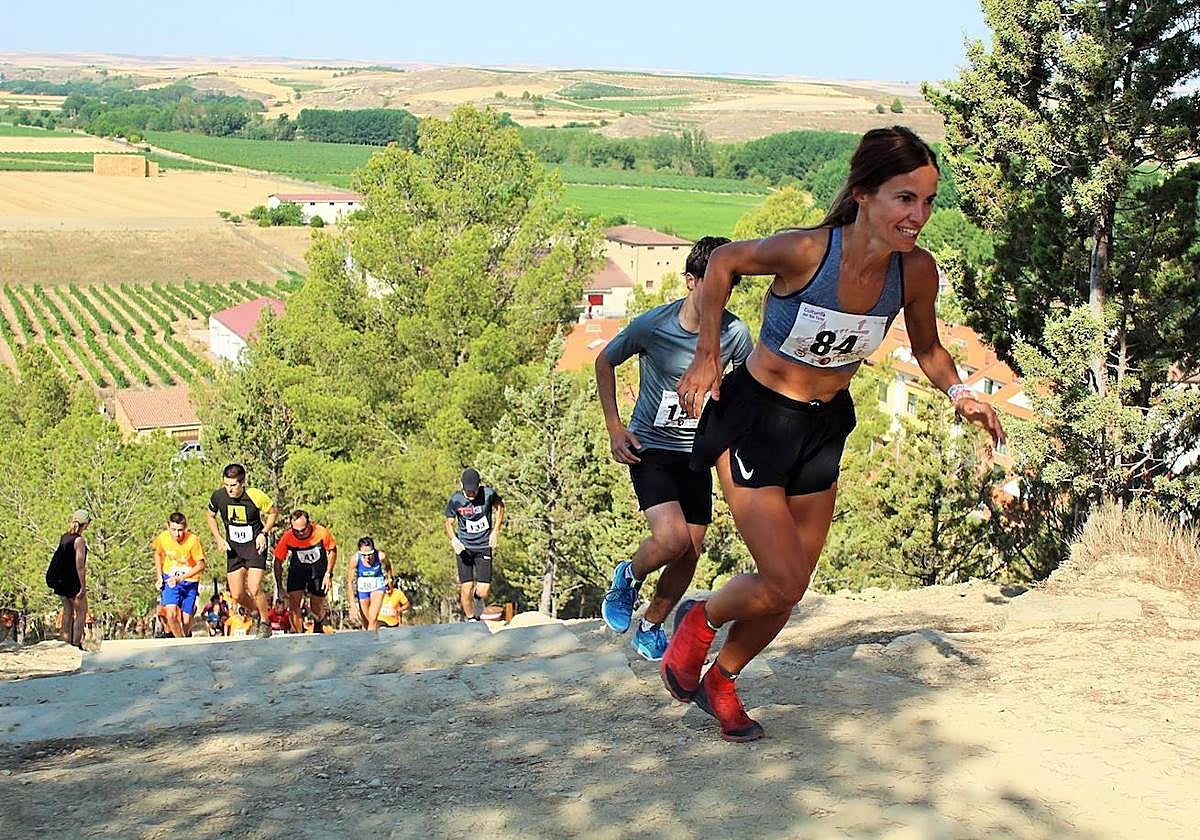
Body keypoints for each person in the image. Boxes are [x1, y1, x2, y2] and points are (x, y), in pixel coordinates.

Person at [663, 126, 1007, 742]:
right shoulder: (806, 252)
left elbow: (927, 348)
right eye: (906, 199)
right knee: (783, 579)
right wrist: (707, 353)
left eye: (928, 202)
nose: (919, 216)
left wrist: (960, 394)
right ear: (864, 194)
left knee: (787, 592)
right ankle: (700, 618)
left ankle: (722, 679)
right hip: (757, 420)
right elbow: (722, 261)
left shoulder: (915, 272)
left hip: (823, 428)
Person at [596, 236, 753, 661]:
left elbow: (749, 391)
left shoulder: (735, 334)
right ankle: (628, 575)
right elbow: (604, 362)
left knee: (690, 552)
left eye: (731, 285)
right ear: (691, 280)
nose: (723, 294)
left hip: (698, 455)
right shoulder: (653, 326)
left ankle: (650, 625)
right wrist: (614, 427)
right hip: (653, 448)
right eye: (714, 283)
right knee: (670, 540)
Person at [206, 464, 278, 639]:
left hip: (255, 546)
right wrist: (218, 538)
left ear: (242, 482)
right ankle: (258, 612)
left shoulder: (255, 496)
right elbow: (209, 515)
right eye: (226, 485)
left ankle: (265, 624)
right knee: (237, 594)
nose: (229, 489)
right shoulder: (218, 496)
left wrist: (264, 533)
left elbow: (273, 513)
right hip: (234, 549)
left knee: (254, 587)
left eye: (233, 485)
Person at [444, 468, 504, 621]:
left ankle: (478, 599)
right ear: (461, 485)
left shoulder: (489, 494)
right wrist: (454, 540)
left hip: (483, 545)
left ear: (479, 485)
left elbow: (500, 507)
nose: (471, 494)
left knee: (483, 591)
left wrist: (496, 530)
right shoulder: (456, 499)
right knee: (466, 587)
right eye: (467, 491)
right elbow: (448, 523)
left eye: (473, 491)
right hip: (464, 548)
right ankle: (471, 619)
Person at [273, 510, 337, 634]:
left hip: (318, 571)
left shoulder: (321, 532)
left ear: (309, 524)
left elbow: (332, 550)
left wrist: (328, 574)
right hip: (298, 571)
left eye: (303, 530)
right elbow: (278, 561)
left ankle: (320, 621)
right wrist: (279, 587)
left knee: (316, 607)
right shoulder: (288, 537)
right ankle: (300, 635)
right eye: (296, 530)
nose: (300, 533)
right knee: (293, 604)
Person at [152, 512, 206, 638]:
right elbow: (158, 554)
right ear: (168, 527)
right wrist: (159, 576)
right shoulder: (163, 538)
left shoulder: (193, 540)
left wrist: (181, 577)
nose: (177, 534)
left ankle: (185, 636)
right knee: (170, 614)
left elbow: (201, 565)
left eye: (180, 530)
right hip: (170, 579)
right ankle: (180, 643)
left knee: (186, 621)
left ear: (185, 527)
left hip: (189, 582)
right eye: (174, 530)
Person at [45, 509, 91, 650]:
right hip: (73, 582)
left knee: (67, 612)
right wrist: (83, 587)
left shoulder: (64, 537)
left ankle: (65, 643)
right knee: (81, 612)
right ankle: (76, 644)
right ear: (86, 524)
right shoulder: (79, 540)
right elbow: (80, 566)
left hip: (61, 582)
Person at [350, 537, 392, 631]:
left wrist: (389, 578)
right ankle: (369, 641)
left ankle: (372, 643)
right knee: (366, 622)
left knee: (372, 619)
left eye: (370, 554)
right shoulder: (355, 559)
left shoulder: (381, 556)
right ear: (360, 552)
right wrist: (352, 604)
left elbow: (388, 566)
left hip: (377, 586)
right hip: (363, 589)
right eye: (364, 555)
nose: (367, 557)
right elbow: (349, 582)